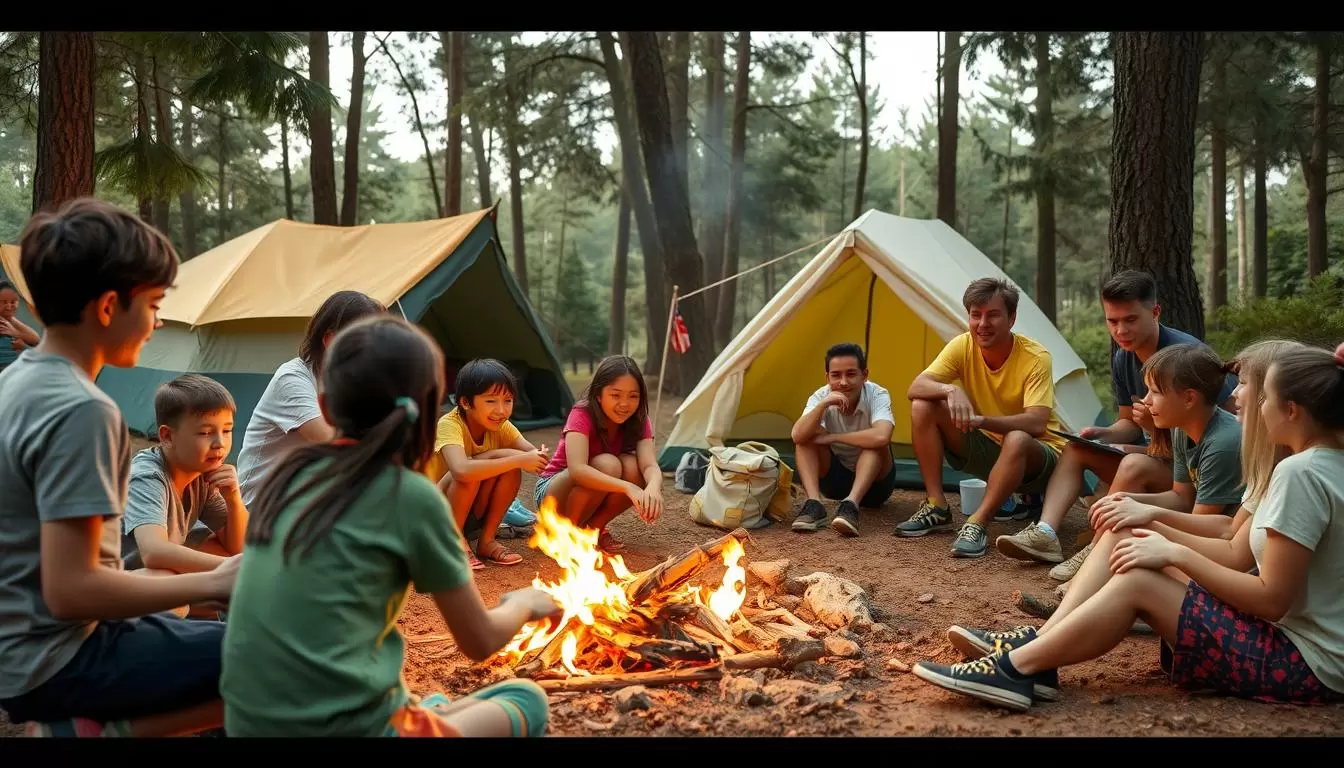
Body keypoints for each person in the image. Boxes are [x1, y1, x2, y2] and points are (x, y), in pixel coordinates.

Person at [911, 341, 1344, 711]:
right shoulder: (1306, 465)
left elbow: (1270, 598)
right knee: (1131, 542)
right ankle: (1037, 651)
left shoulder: (1299, 473)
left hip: (1303, 662)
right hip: (1299, 647)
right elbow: (1234, 542)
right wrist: (1151, 521)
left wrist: (1173, 550)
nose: (1241, 399)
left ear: (1291, 410)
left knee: (1138, 580)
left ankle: (1018, 667)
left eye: (1259, 393)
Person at [220, 314, 559, 737]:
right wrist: (524, 603)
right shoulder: (409, 495)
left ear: (325, 407)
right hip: (349, 731)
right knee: (526, 698)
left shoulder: (287, 478)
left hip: (248, 726)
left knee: (432, 705)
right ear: (430, 414)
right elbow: (480, 640)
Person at [0, 199, 239, 737]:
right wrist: (217, 579)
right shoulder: (83, 409)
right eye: (153, 304)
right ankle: (83, 732)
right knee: (284, 654)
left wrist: (198, 586)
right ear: (109, 307)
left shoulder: (16, 382)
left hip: (18, 648)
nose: (158, 322)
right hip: (61, 657)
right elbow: (72, 591)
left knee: (225, 641)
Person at [948, 339, 1300, 661]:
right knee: (1126, 527)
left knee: (1130, 544)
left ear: (1285, 406)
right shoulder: (1266, 463)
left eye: (1246, 386)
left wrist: (1155, 528)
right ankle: (1042, 637)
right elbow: (1225, 529)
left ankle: (1037, 647)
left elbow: (1232, 550)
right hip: (1233, 585)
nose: (1234, 394)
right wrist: (1139, 510)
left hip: (1249, 614)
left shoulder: (1250, 454)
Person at [997, 270, 1239, 576]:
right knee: (1078, 448)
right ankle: (1046, 533)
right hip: (1164, 457)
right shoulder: (1124, 357)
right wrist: (1103, 433)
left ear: (1155, 312)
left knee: (1132, 465)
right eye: (1112, 321)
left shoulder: (1186, 357)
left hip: (1197, 471)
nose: (1121, 330)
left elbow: (1220, 425)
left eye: (1130, 320)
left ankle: (1097, 549)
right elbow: (1128, 422)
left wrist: (1152, 429)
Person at [898, 277, 1069, 558]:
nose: (982, 324)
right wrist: (950, 389)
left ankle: (978, 522)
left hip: (1038, 457)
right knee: (923, 405)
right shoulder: (963, 345)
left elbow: (1037, 423)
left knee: (1017, 438)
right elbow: (916, 387)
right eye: (975, 315)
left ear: (1012, 319)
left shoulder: (1036, 357)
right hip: (989, 445)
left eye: (993, 315)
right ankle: (936, 506)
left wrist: (982, 421)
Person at [235, 290, 385, 507]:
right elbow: (334, 444)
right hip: (263, 503)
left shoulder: (354, 379)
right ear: (331, 340)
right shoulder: (291, 379)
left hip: (309, 494)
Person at [121, 375, 247, 619]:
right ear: (167, 436)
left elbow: (239, 545)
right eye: (205, 433)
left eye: (227, 430)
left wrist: (233, 497)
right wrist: (236, 571)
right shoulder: (148, 476)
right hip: (117, 579)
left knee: (225, 553)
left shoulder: (202, 473)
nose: (219, 443)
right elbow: (154, 552)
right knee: (173, 594)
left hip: (152, 576)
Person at [424, 358, 549, 569]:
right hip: (434, 515)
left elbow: (531, 453)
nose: (501, 410)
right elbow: (461, 470)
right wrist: (516, 458)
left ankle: (487, 541)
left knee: (509, 467)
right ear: (466, 402)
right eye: (491, 401)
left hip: (472, 515)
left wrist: (540, 457)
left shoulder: (502, 426)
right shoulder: (450, 424)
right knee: (476, 468)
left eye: (507, 401)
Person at [534, 355, 662, 553]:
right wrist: (628, 487)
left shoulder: (639, 419)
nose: (625, 404)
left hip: (592, 489)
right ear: (599, 395)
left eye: (633, 396)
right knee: (608, 464)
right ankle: (565, 535)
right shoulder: (582, 413)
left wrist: (653, 488)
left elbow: (649, 465)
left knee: (634, 467)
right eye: (616, 395)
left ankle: (593, 531)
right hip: (554, 491)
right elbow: (577, 470)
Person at [790, 342, 897, 537]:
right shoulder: (821, 397)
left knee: (874, 443)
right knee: (806, 436)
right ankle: (814, 504)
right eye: (836, 375)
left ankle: (851, 505)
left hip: (875, 486)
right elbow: (797, 435)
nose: (844, 382)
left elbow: (882, 436)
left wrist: (832, 437)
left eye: (851, 374)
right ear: (827, 377)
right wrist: (822, 406)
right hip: (835, 482)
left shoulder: (878, 394)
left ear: (864, 375)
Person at [0, 279, 41, 374]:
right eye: (4, 302)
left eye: (13, 302)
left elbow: (35, 339)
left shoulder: (9, 319)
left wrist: (16, 333)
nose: (9, 306)